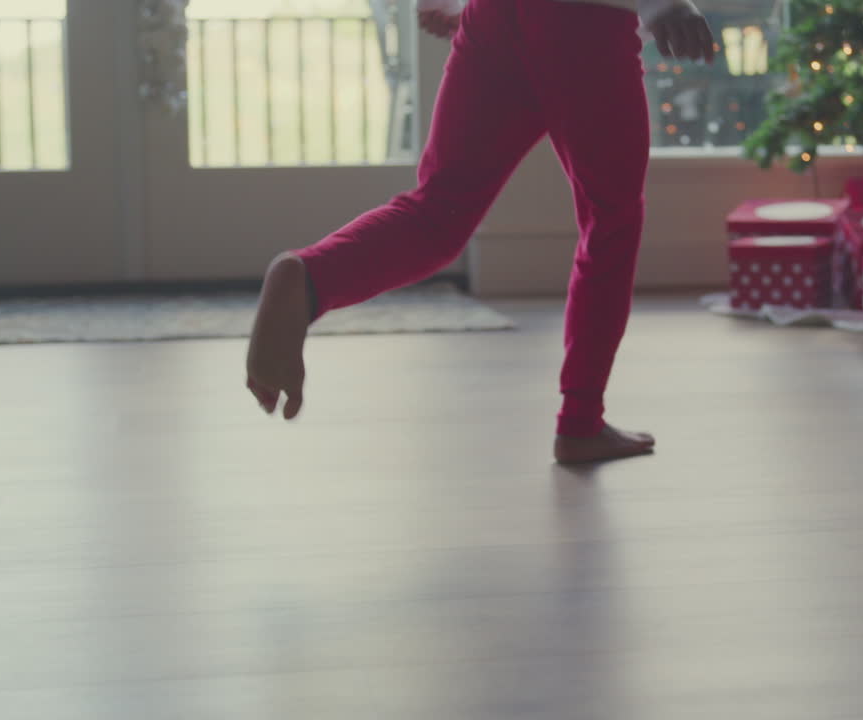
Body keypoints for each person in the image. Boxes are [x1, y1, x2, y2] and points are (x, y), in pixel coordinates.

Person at [247, 0, 715, 464]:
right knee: (611, 219)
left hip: (494, 14)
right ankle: (581, 421)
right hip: (583, 21)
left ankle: (311, 278)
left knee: (437, 212)